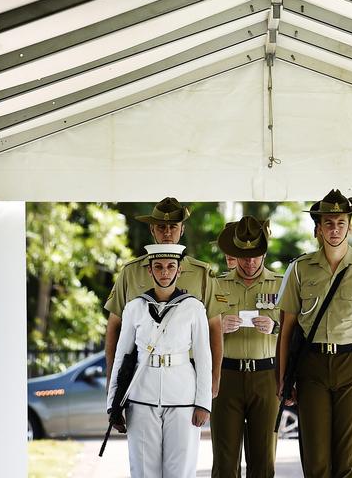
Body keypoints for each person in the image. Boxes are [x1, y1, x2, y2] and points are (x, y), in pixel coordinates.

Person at [277, 189, 352, 478]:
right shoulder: (300, 269)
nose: (335, 228)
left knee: (347, 458)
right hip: (311, 364)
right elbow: (286, 328)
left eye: (341, 222)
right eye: (328, 222)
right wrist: (283, 377)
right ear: (318, 228)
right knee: (315, 458)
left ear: (350, 226)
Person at [107, 244, 212, 478]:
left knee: (181, 471)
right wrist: (113, 403)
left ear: (179, 270)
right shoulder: (134, 308)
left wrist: (203, 402)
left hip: (183, 398)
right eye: (158, 267)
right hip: (142, 397)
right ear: (150, 271)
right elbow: (121, 358)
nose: (165, 272)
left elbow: (204, 357)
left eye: (170, 266)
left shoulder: (194, 308)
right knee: (144, 470)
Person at [104, 197, 221, 388]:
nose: (167, 232)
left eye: (173, 227)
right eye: (161, 227)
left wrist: (214, 377)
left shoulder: (202, 273)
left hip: (187, 371)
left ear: (182, 229)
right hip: (139, 371)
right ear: (152, 230)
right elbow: (114, 326)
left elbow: (215, 327)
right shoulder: (131, 272)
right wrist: (112, 376)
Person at [209, 216, 282, 478]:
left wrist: (275, 327)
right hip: (226, 375)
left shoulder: (281, 285)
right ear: (235, 254)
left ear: (263, 253)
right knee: (225, 460)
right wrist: (217, 327)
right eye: (244, 256)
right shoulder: (216, 285)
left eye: (255, 256)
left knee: (263, 459)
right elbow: (197, 335)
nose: (250, 262)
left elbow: (299, 332)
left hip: (267, 376)